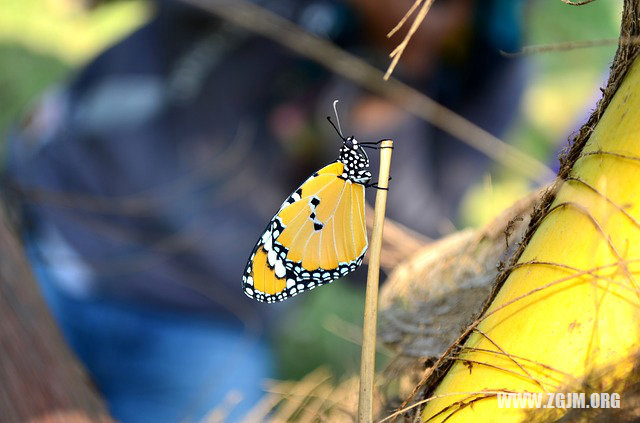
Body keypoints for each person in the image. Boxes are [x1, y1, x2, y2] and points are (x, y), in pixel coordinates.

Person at [2, 0, 526, 421]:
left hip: (206, 317)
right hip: (50, 225)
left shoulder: (486, 63)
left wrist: (389, 97)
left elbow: (391, 265)